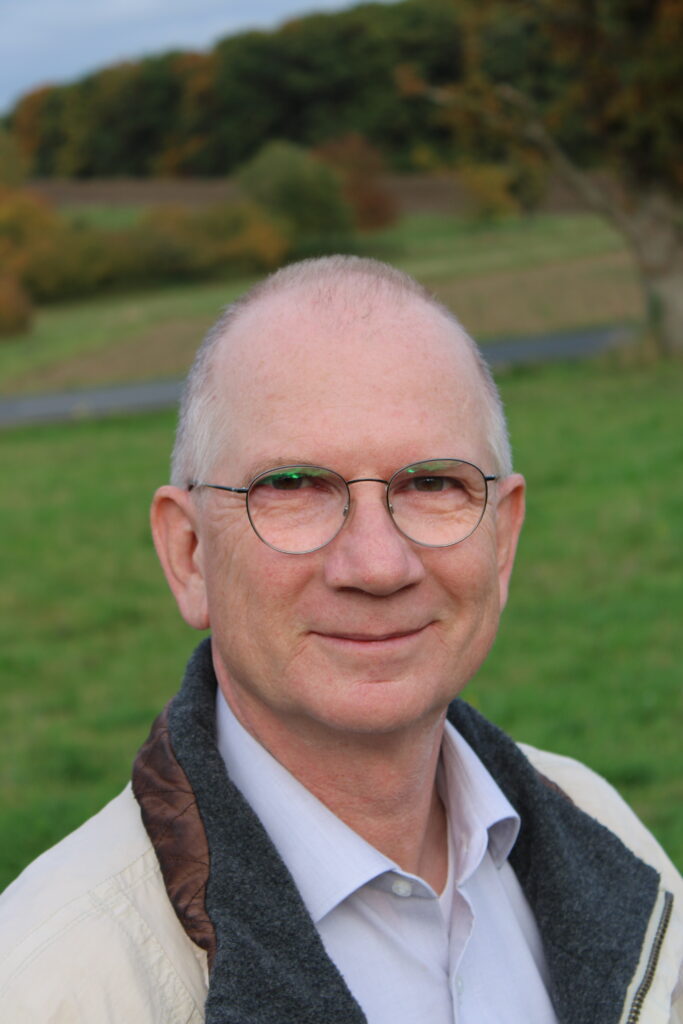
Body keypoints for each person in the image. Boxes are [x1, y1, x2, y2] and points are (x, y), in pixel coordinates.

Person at [0, 256, 681, 1024]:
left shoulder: (603, 832)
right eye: (292, 486)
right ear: (189, 554)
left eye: (431, 483)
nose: (377, 565)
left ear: (502, 540)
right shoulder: (49, 988)